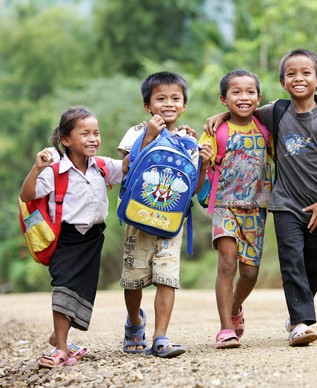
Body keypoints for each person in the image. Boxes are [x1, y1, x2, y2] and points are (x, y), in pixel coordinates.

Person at [205, 49, 317, 346]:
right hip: (285, 203)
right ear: (283, 82)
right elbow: (241, 111)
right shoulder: (277, 111)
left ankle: (298, 311)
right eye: (291, 74)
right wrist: (220, 115)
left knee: (313, 267)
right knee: (292, 261)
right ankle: (299, 322)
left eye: (306, 73)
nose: (299, 78)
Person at [117, 71, 212, 358]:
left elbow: (193, 189)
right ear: (148, 105)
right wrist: (149, 135)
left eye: (175, 98)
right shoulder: (137, 131)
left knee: (166, 278)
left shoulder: (188, 140)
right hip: (138, 218)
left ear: (184, 105)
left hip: (171, 223)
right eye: (160, 98)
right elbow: (125, 167)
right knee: (133, 280)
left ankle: (161, 336)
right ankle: (135, 321)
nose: (168, 104)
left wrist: (205, 164)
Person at [20, 106, 124, 368]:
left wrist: (151, 136)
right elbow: (27, 195)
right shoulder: (54, 172)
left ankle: (59, 336)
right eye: (85, 133)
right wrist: (36, 168)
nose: (93, 139)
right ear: (66, 140)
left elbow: (127, 166)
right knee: (64, 286)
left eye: (96, 133)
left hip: (93, 238)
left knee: (81, 290)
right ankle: (62, 350)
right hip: (66, 239)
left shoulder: (102, 166)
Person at [199, 70, 272, 349]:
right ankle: (225, 329)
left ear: (259, 97)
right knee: (227, 262)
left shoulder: (265, 128)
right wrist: (204, 163)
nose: (244, 97)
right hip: (224, 206)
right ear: (223, 99)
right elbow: (199, 177)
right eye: (236, 92)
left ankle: (235, 306)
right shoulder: (214, 132)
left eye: (250, 92)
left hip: (256, 208)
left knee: (250, 274)